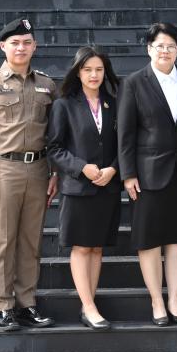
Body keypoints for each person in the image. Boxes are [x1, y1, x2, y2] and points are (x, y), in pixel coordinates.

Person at [0, 18, 59, 331]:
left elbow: (56, 133)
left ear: (35, 46)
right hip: (4, 169)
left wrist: (55, 172)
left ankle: (27, 303)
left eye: (27, 42)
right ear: (3, 46)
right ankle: (4, 306)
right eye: (15, 43)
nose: (21, 48)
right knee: (4, 240)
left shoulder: (46, 84)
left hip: (39, 168)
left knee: (31, 240)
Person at [118, 22, 177, 327]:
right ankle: (156, 301)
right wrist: (128, 174)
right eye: (159, 46)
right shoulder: (134, 83)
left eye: (170, 46)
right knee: (149, 240)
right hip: (147, 173)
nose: (165, 51)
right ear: (149, 49)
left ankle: (174, 301)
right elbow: (125, 132)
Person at [47, 46, 121, 331]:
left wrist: (113, 168)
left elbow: (125, 143)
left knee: (97, 248)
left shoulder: (114, 103)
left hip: (107, 186)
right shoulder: (64, 105)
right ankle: (89, 306)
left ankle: (88, 304)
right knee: (81, 247)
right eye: (88, 69)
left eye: (99, 69)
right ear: (78, 73)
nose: (94, 75)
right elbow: (54, 148)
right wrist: (81, 167)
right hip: (78, 187)